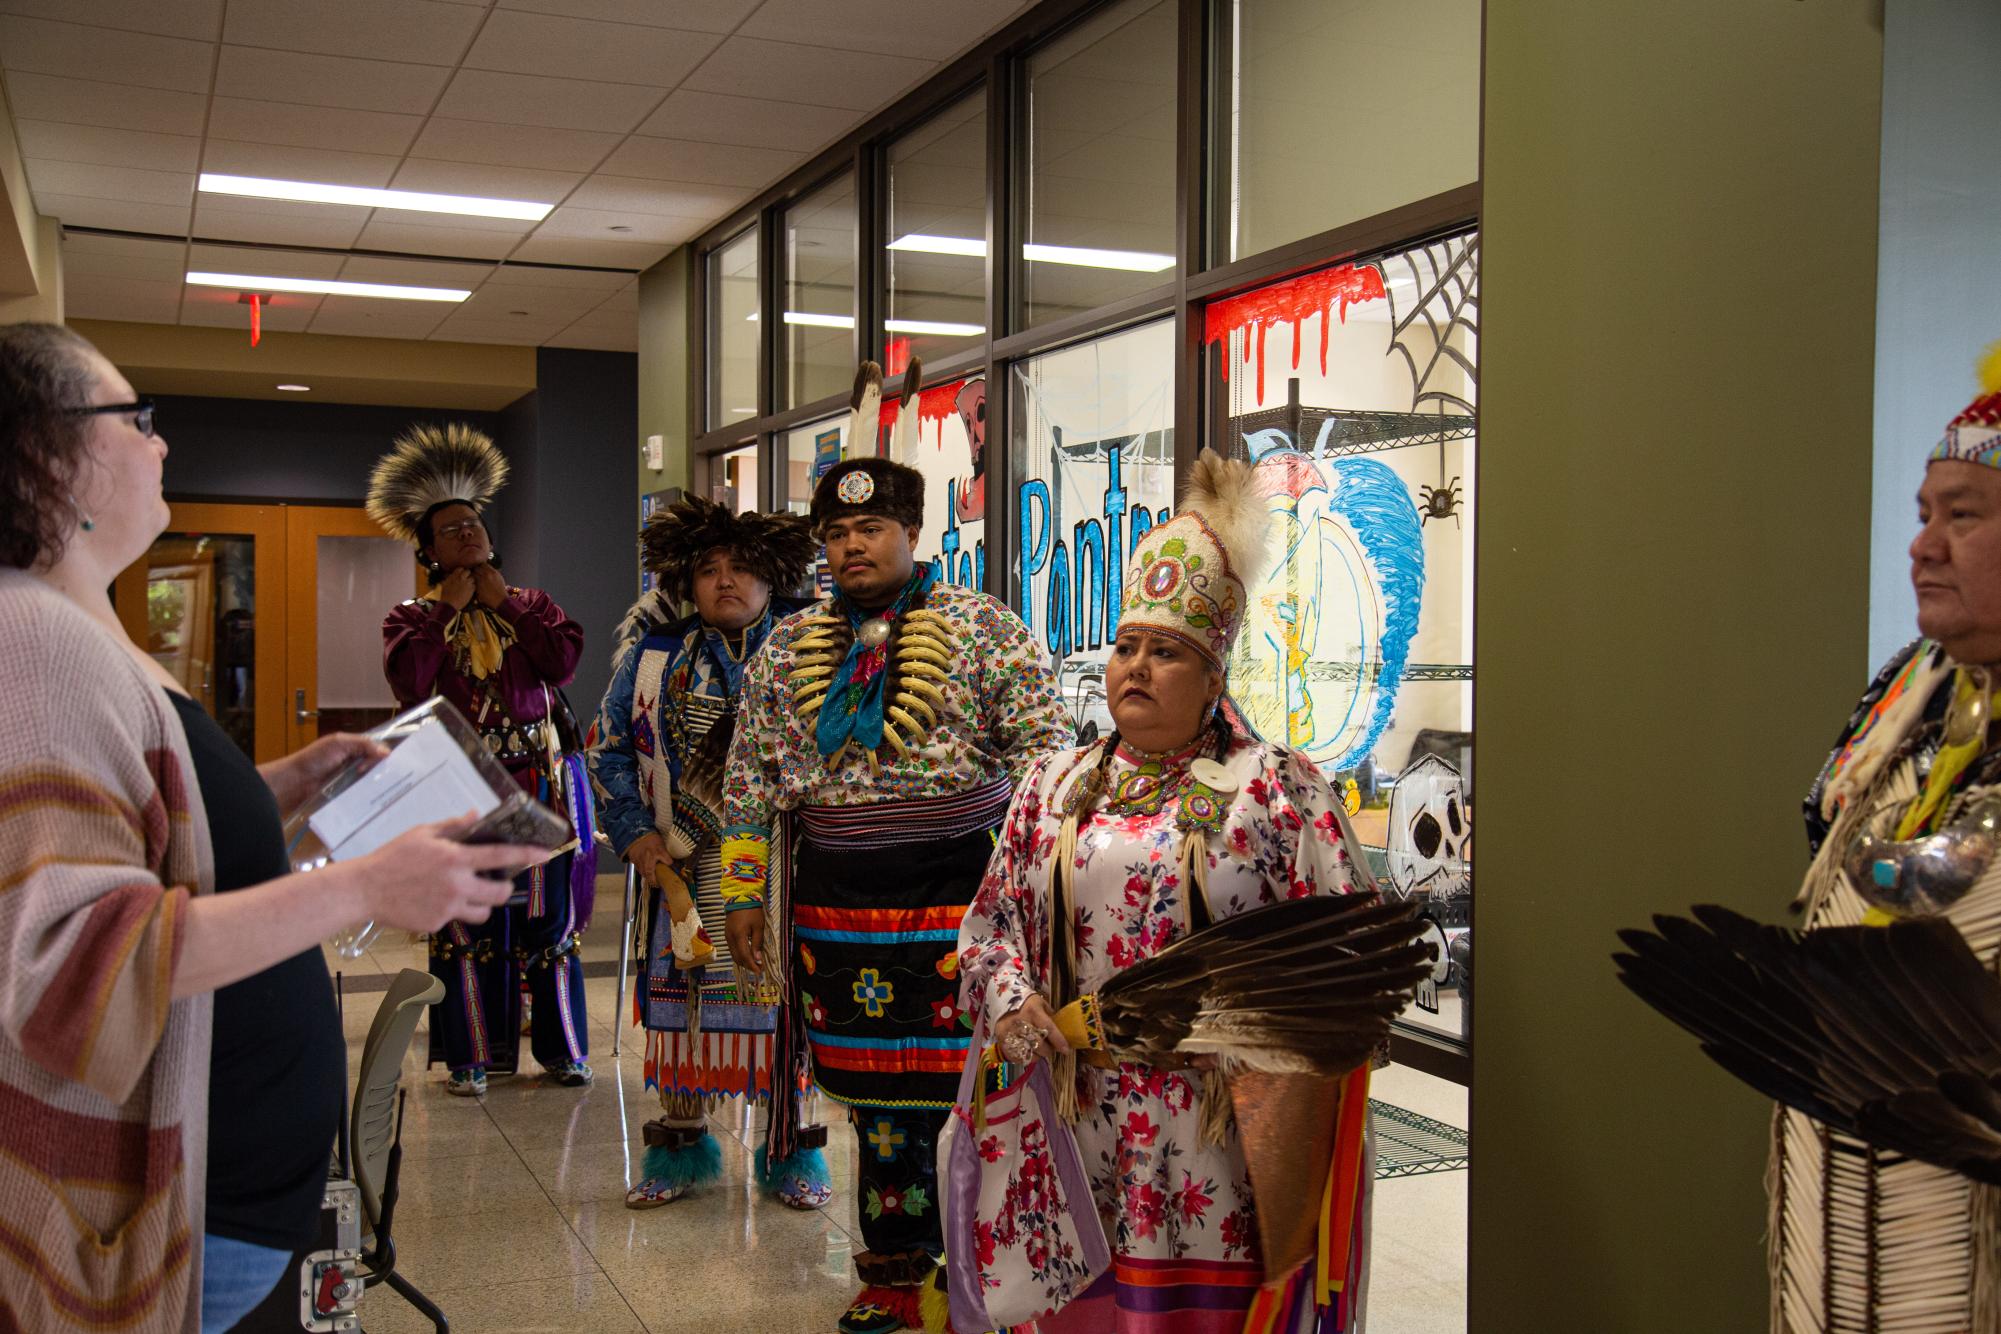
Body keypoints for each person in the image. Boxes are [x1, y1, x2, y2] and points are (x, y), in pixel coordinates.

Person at [0, 322, 538, 1333]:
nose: (162, 444)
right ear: (49, 453)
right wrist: (365, 887)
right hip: (184, 1199)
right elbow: (70, 960)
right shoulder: (31, 638)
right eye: (138, 419)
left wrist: (282, 785)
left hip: (234, 1185)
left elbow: (140, 840)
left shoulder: (80, 628)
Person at [958, 452, 1382, 1333]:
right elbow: (987, 927)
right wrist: (1011, 1005)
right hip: (1075, 1116)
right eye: (1126, 647)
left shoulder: (1272, 787)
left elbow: (1354, 949)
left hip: (1216, 1133)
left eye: (1166, 652)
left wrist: (1269, 1035)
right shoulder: (1051, 783)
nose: (1135, 668)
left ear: (1214, 674)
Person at [721, 368, 1070, 1334]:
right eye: (835, 535)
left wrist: (1039, 893)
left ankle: (986, 1268)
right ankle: (891, 1272)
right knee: (878, 1105)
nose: (850, 547)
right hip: (838, 910)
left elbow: (1045, 765)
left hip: (963, 905)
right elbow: (750, 782)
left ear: (910, 534)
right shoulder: (784, 647)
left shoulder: (983, 628)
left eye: (868, 531)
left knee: (975, 1091)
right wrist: (743, 896)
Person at [588, 494, 834, 1210]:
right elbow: (608, 751)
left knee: (785, 1005)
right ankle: (679, 1146)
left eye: (741, 568)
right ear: (685, 583)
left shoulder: (809, 650)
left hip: (784, 865)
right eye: (708, 569)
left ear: (773, 577)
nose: (724, 580)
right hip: (683, 863)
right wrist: (636, 837)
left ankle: (788, 1152)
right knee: (680, 1005)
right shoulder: (653, 659)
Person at [372, 423, 595, 1096]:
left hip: (536, 785)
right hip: (457, 788)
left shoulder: (531, 605)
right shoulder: (409, 618)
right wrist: (447, 615)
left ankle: (562, 1052)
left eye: (473, 523)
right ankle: (473, 1059)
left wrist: (505, 606)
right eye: (450, 530)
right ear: (428, 551)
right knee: (467, 924)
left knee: (548, 924)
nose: (466, 534)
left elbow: (563, 661)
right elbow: (411, 683)